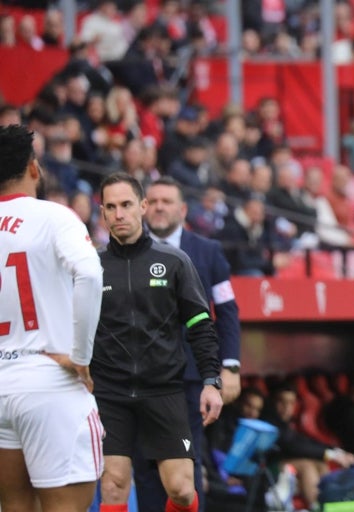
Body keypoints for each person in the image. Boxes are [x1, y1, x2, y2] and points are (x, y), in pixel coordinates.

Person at [92, 172, 224, 512]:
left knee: (181, 489)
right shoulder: (90, 266)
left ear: (143, 207)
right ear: (102, 213)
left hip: (163, 390)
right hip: (110, 393)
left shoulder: (173, 260)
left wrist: (211, 381)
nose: (119, 214)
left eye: (126, 205)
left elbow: (200, 324)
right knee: (114, 484)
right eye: (110, 207)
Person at [0, 124, 104, 512]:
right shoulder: (53, 217)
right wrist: (81, 355)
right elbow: (91, 274)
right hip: (49, 382)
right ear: (32, 168)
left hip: (1, 383)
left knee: (14, 506)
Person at [138, 176, 242, 511]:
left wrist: (230, 366)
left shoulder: (208, 252)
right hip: (139, 377)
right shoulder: (125, 250)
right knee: (145, 465)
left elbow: (226, 311)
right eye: (152, 201)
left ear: (182, 209)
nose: (158, 207)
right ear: (143, 208)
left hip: (190, 377)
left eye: (166, 201)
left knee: (186, 462)